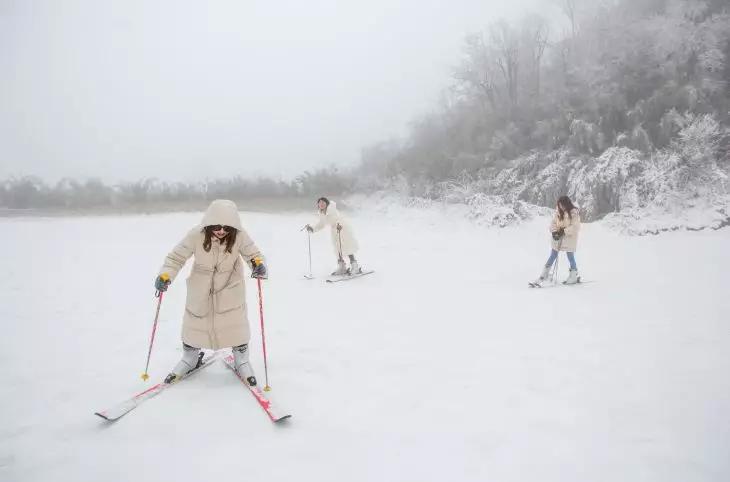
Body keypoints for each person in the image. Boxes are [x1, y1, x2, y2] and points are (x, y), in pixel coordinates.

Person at [154, 199, 267, 386]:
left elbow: (253, 254)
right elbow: (176, 257)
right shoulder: (196, 235)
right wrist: (165, 275)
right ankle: (190, 357)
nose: (221, 231)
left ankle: (242, 359)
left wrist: (258, 265)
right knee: (194, 322)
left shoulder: (239, 236)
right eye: (217, 226)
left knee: (235, 324)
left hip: (229, 287)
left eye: (226, 227)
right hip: (200, 288)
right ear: (209, 223)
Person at [305, 197, 362, 275]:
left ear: (327, 203)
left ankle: (355, 266)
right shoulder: (322, 213)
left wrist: (339, 225)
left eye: (323, 202)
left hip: (342, 228)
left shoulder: (331, 210)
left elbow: (338, 218)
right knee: (338, 249)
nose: (321, 204)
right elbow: (321, 224)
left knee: (346, 247)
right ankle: (342, 267)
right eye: (320, 203)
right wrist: (312, 228)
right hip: (334, 231)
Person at [533, 195, 581, 285]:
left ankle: (574, 275)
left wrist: (564, 231)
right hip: (558, 237)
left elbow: (576, 226)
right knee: (553, 255)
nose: (561, 207)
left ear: (566, 204)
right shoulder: (558, 212)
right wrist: (554, 232)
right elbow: (553, 223)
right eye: (559, 205)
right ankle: (544, 274)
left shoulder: (574, 213)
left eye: (562, 205)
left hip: (569, 238)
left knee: (570, 255)